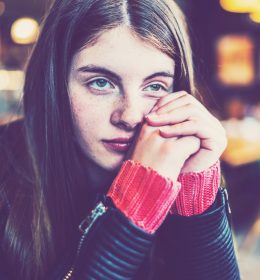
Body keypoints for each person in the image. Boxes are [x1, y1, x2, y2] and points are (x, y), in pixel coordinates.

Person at [0, 0, 240, 279]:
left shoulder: (177, 169)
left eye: (154, 86)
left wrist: (195, 200)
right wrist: (134, 206)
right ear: (53, 83)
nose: (130, 116)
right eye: (100, 82)